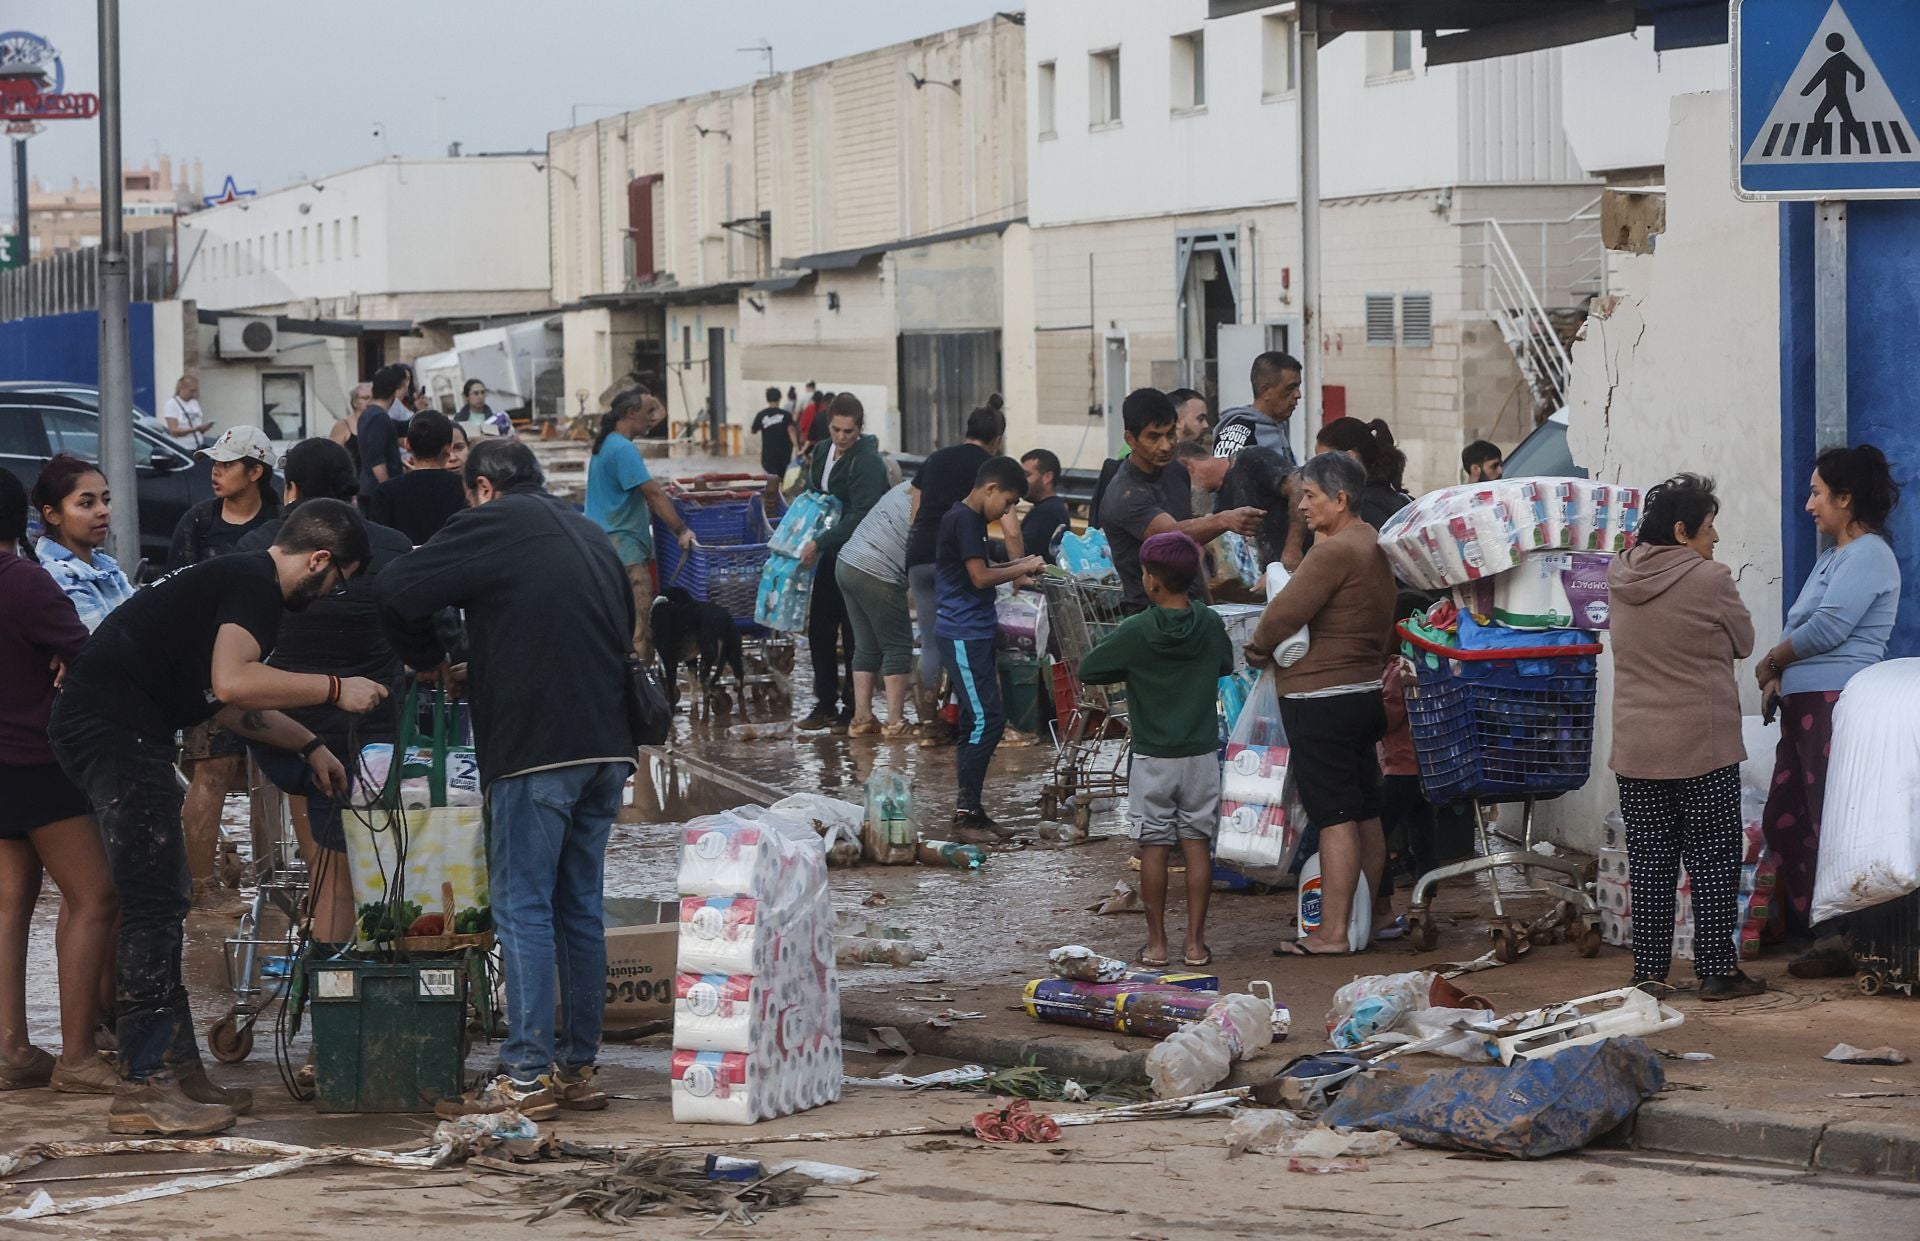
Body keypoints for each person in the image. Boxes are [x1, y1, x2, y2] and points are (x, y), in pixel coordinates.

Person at [49, 500, 388, 1134]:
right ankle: (145, 1084)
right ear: (320, 559)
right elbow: (236, 684)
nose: (331, 593)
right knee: (153, 901)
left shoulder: (235, 584)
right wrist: (337, 689)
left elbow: (226, 705)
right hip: (114, 731)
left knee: (165, 895)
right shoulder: (254, 584)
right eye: (337, 579)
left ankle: (179, 1072)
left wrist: (309, 746)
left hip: (113, 725)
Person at [378, 440, 637, 1120]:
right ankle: (577, 1066)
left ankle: (525, 1075)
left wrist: (432, 661)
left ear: (484, 487)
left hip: (534, 748)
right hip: (609, 745)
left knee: (522, 906)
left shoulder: (491, 521)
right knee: (578, 906)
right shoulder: (587, 529)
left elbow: (399, 588)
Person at [239, 439, 415, 946]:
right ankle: (350, 965)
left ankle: (326, 950)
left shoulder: (259, 548)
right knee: (360, 858)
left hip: (283, 723)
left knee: (321, 853)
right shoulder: (392, 546)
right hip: (372, 729)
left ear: (289, 487)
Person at [1609, 474, 1766, 1000]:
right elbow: (1744, 642)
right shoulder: (1711, 578)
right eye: (1708, 526)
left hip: (1637, 747)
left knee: (1650, 862)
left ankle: (1649, 975)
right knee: (1712, 860)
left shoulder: (1618, 574)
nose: (1715, 537)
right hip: (1702, 743)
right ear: (1681, 531)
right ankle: (1716, 970)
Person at [1755, 444, 1901, 977]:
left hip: (1834, 703)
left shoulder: (1868, 555)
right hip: (1806, 704)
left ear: (1846, 498)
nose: (1810, 504)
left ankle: (1841, 933)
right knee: (1789, 816)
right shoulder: (1834, 556)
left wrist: (1771, 661)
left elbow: (1828, 630)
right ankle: (1820, 928)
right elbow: (1805, 627)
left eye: (1818, 493)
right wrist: (1777, 675)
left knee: (1823, 817)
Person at [0, 472, 120, 1096]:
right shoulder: (25, 582)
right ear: (24, 519)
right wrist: (73, 655)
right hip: (38, 763)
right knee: (95, 898)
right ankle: (78, 1055)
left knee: (10, 906)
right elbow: (98, 657)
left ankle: (12, 1050)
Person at [1250, 452, 1396, 957]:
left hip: (1320, 698)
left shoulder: (1333, 553)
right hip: (1362, 692)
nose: (1302, 505)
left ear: (1341, 499)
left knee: (1334, 815)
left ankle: (1333, 933)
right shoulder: (1371, 542)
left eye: (1311, 496)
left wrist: (1258, 646)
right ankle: (1372, 918)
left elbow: (1282, 614)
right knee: (1364, 811)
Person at [1077, 531, 1234, 968]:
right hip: (1201, 754)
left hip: (1152, 757)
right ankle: (1196, 946)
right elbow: (1225, 663)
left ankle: (1158, 945)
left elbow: (1091, 667)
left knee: (1154, 848)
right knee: (1197, 844)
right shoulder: (1208, 622)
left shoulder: (1137, 630)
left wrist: (1134, 665)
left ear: (1152, 582)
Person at [170, 426, 283, 915]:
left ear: (255, 472)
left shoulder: (284, 523)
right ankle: (202, 889)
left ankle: (273, 882)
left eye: (226, 464)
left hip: (276, 668)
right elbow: (175, 593)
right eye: (212, 464)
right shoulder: (197, 524)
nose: (215, 473)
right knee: (210, 772)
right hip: (211, 670)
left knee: (277, 779)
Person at [935, 457, 1045, 835]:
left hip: (975, 630)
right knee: (989, 720)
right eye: (1009, 502)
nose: (1008, 511)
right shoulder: (964, 519)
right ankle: (966, 811)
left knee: (974, 721)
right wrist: (1022, 567)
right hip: (962, 631)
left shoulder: (971, 521)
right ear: (990, 489)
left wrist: (1018, 566)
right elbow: (980, 577)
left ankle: (971, 809)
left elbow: (979, 568)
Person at [906, 397, 1023, 741]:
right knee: (971, 639)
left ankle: (929, 725)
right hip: (959, 561)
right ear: (997, 439)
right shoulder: (992, 471)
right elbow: (1012, 528)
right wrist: (1019, 569)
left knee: (931, 643)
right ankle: (983, 722)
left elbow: (914, 503)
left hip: (919, 556)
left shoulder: (936, 458)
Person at [1100, 389, 1263, 611]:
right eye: (1154, 437)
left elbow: (1189, 550)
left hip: (1191, 607)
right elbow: (1172, 535)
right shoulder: (1125, 494)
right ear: (1131, 439)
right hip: (1149, 615)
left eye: (1170, 434)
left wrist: (1208, 605)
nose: (1166, 446)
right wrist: (1223, 520)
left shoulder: (1176, 471)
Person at [798, 394, 889, 731]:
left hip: (857, 555)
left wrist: (819, 541)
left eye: (848, 432)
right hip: (827, 553)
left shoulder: (867, 462)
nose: (841, 437)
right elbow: (812, 493)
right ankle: (824, 701)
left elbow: (862, 513)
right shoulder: (822, 451)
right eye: (836, 429)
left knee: (854, 632)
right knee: (819, 628)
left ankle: (853, 706)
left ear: (859, 429)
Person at [586, 388, 693, 665]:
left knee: (610, 628)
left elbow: (657, 413)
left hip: (598, 549)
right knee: (640, 630)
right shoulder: (623, 449)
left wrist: (650, 399)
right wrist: (681, 530)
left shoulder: (605, 444)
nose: (652, 419)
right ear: (630, 414)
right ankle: (642, 696)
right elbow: (654, 494)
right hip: (626, 553)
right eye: (647, 413)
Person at [834, 479, 917, 737]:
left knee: (866, 644)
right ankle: (895, 722)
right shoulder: (936, 497)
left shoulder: (905, 487)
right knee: (898, 645)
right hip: (877, 572)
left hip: (847, 562)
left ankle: (861, 718)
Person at [32, 454, 135, 630]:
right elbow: (103, 650)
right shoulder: (56, 578)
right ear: (52, 514)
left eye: (106, 500)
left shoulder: (104, 567)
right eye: (87, 503)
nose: (103, 511)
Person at [370, 409, 468, 544]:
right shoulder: (466, 488)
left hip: (404, 563)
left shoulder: (386, 492)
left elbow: (380, 543)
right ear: (448, 448)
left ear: (407, 444)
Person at [1316, 417, 1413, 529]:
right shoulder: (1404, 501)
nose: (1318, 470)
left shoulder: (1355, 510)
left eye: (1324, 461)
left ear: (1350, 458)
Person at [1213, 352, 1302, 469]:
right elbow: (1224, 480)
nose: (1298, 395)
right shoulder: (1238, 432)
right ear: (1265, 391)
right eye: (1290, 388)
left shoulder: (1278, 425)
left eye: (1298, 387)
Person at [357, 365, 412, 504]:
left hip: (370, 490)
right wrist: (388, 491)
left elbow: (402, 427)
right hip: (376, 493)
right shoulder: (379, 418)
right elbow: (377, 461)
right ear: (396, 390)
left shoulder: (369, 414)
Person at [1019, 449, 1071, 562]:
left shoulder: (1047, 512)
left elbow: (1024, 553)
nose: (1020, 481)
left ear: (1047, 477)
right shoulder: (1051, 507)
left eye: (1026, 475)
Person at [162, 375, 214, 452]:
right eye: (191, 391)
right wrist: (194, 429)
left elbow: (196, 424)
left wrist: (203, 428)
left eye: (196, 391)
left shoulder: (194, 403)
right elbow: (173, 431)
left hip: (197, 445)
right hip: (182, 447)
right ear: (182, 389)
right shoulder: (172, 404)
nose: (194, 394)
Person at [331, 382, 371, 467]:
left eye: (373, 398)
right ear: (355, 402)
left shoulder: (377, 423)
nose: (370, 401)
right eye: (366, 398)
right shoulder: (343, 425)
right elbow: (331, 456)